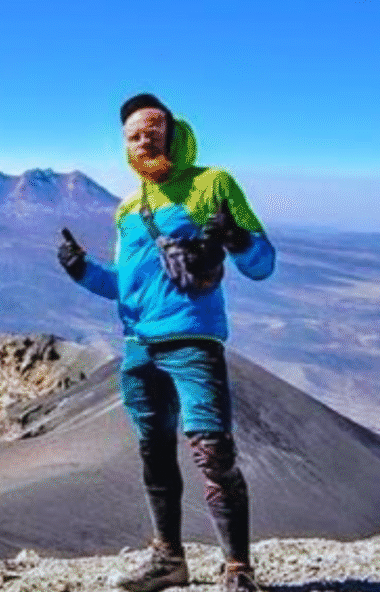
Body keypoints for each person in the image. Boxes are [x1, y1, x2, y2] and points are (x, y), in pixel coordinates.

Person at [57, 93, 276, 592]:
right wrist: (82, 270)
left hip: (192, 342)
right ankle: (168, 559)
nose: (142, 142)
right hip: (137, 347)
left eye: (152, 133)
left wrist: (237, 239)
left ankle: (238, 571)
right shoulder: (129, 208)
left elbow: (263, 264)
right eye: (133, 137)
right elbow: (127, 285)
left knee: (212, 449)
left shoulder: (211, 184)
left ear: (174, 135)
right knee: (154, 453)